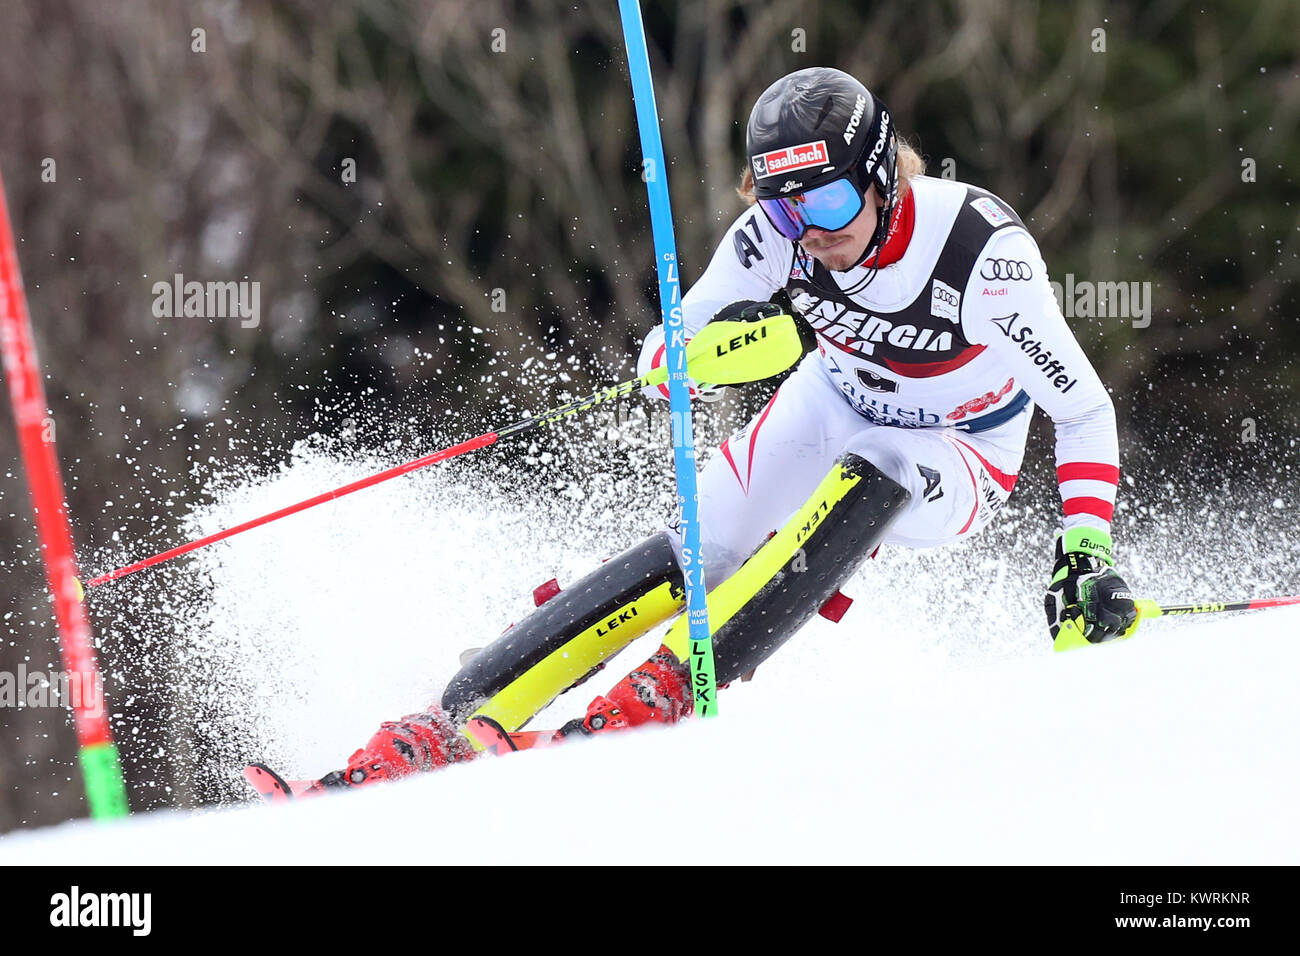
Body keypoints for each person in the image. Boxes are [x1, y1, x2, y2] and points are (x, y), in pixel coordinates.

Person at [301, 66, 1137, 792]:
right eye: (783, 210)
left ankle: (669, 685)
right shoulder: (781, 239)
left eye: (832, 198)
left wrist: (1085, 550)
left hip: (959, 451)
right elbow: (680, 326)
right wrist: (675, 354)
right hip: (834, 399)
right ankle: (451, 719)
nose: (811, 229)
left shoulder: (981, 255)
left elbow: (1082, 408)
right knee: (707, 543)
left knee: (879, 460)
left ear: (884, 175)